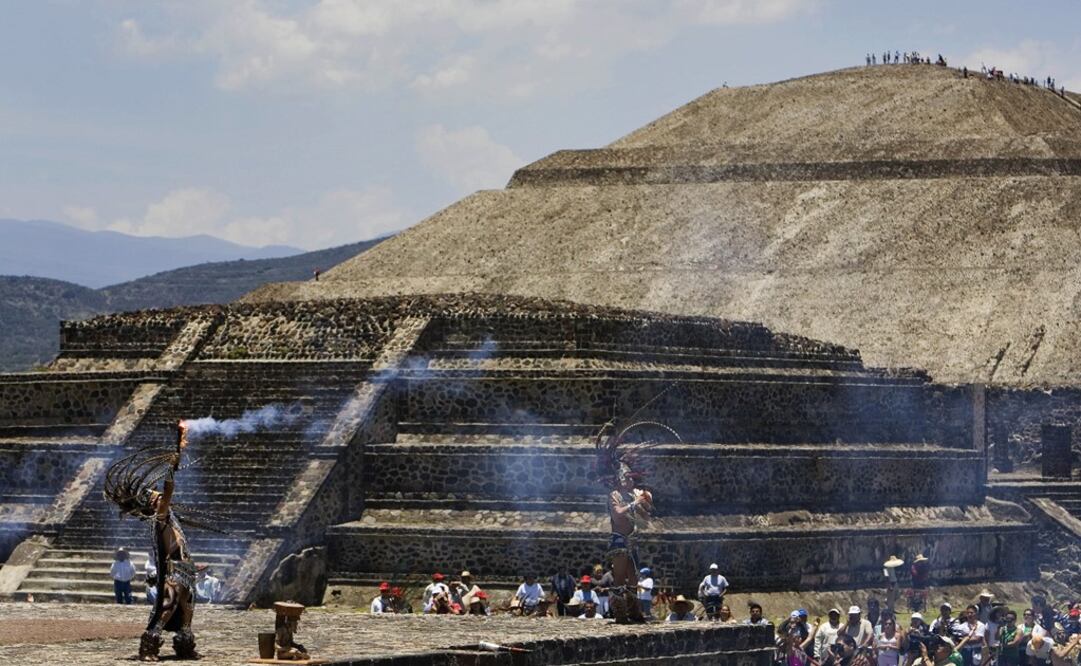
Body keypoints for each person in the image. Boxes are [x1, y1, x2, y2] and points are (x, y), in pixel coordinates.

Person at [104, 421, 201, 660]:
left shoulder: (168, 517)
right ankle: (149, 646)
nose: (158, 495)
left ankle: (185, 646)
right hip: (175, 571)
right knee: (167, 609)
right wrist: (172, 465)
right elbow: (168, 490)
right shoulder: (160, 516)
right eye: (156, 496)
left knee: (187, 612)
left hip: (185, 569)